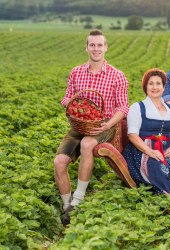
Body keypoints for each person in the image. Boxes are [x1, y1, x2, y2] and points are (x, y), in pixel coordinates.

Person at [54, 29, 129, 225]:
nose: (96, 49)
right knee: (59, 163)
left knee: (88, 144)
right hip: (80, 125)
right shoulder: (76, 72)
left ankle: (78, 199)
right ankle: (66, 205)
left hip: (104, 126)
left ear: (106, 47)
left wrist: (107, 123)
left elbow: (123, 107)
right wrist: (75, 107)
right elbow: (66, 98)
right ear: (87, 47)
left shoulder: (117, 76)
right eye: (92, 45)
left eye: (99, 45)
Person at [122, 68, 170, 206]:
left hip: (166, 148)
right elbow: (132, 135)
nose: (155, 87)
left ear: (164, 87)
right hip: (142, 149)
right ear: (145, 87)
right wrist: (150, 151)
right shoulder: (138, 107)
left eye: (158, 84)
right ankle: (168, 203)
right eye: (151, 84)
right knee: (157, 167)